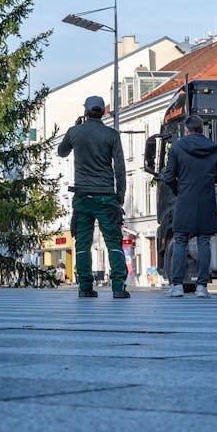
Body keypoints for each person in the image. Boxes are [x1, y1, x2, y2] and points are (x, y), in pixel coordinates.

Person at [56, 95, 128, 299]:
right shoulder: (112, 135)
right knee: (113, 242)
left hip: (82, 197)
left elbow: (62, 152)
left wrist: (74, 127)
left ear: (86, 112)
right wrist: (120, 195)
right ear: (103, 112)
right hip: (106, 196)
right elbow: (120, 168)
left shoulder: (75, 132)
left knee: (83, 242)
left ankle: (85, 287)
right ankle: (118, 288)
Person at [160, 115, 217, 299]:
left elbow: (168, 176)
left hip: (185, 200)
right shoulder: (213, 149)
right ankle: (202, 287)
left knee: (180, 240)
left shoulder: (177, 148)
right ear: (201, 130)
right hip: (206, 200)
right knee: (204, 241)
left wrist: (179, 190)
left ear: (186, 130)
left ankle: (177, 285)